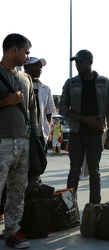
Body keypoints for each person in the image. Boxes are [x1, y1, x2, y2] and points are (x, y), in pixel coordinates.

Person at [59, 49, 109, 204]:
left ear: (90, 62)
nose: (78, 65)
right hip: (76, 134)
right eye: (76, 62)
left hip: (96, 134)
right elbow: (62, 108)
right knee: (74, 172)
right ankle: (69, 208)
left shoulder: (104, 82)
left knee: (95, 173)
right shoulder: (71, 83)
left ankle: (95, 208)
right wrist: (86, 119)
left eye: (81, 61)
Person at [0, 33, 33, 249]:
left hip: (23, 142)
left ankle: (12, 231)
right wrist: (6, 101)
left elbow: (31, 110)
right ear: (14, 50)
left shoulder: (26, 78)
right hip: (1, 141)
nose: (28, 57)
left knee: (17, 191)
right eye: (26, 52)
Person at [23, 57, 55, 152]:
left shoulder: (45, 89)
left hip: (40, 136)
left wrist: (47, 130)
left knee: (39, 165)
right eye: (36, 66)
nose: (39, 69)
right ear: (26, 67)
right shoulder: (18, 84)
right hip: (23, 134)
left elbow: (49, 112)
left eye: (40, 67)